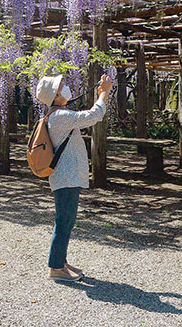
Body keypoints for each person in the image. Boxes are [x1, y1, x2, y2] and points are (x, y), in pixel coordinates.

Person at [35, 73, 112, 282]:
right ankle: (56, 268)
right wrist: (103, 93)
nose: (66, 87)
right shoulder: (59, 117)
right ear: (56, 94)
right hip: (65, 177)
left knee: (67, 221)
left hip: (68, 177)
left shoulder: (60, 114)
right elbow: (92, 116)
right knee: (64, 220)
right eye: (62, 86)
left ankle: (62, 261)